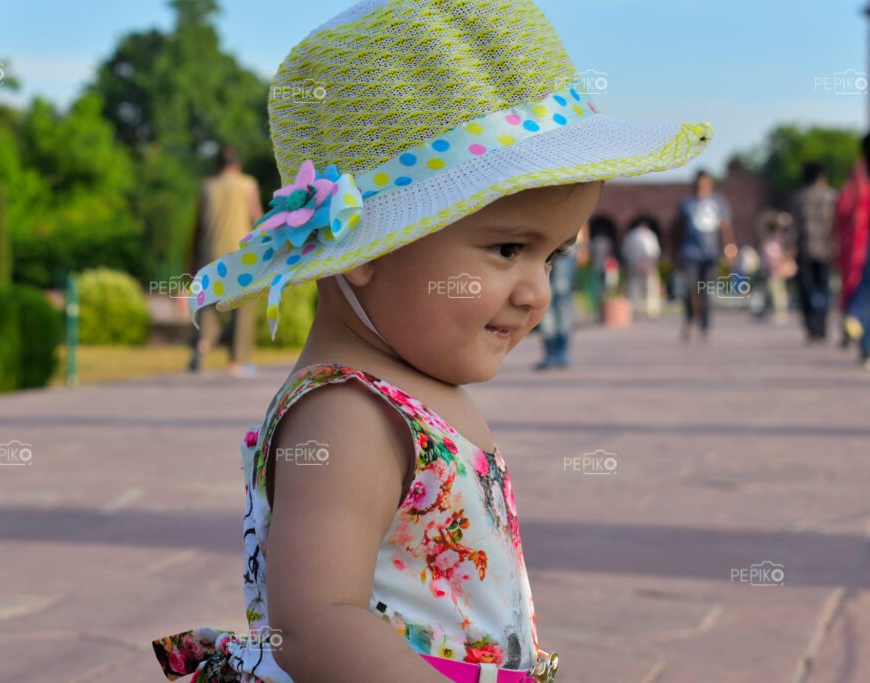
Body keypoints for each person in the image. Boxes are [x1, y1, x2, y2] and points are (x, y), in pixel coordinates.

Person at [151, 2, 714, 681]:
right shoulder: (346, 415)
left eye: (554, 258)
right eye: (508, 248)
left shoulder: (411, 391)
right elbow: (312, 622)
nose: (536, 291)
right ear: (366, 247)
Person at [188, 145, 264, 376]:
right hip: (240, 253)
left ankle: (203, 345)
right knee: (244, 303)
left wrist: (192, 258)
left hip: (209, 252)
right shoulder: (247, 184)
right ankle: (237, 361)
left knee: (209, 305)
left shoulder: (206, 187)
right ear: (237, 164)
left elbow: (198, 227)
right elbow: (257, 219)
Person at [674, 170, 736, 342]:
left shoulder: (719, 202)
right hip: (690, 253)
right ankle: (689, 319)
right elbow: (677, 229)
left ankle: (705, 326)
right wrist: (674, 253)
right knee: (689, 289)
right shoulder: (687, 203)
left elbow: (725, 227)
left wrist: (729, 247)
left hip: (710, 255)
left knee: (705, 291)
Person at [791, 162, 836, 342]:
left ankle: (812, 328)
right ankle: (822, 327)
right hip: (827, 250)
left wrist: (788, 250)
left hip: (805, 251)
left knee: (807, 289)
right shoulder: (832, 197)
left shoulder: (800, 198)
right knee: (824, 288)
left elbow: (794, 228)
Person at [836, 135, 870, 368]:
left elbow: (842, 209)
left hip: (859, 245)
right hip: (863, 243)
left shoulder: (857, 177)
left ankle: (854, 318)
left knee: (862, 291)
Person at [535, 223, 586, 369]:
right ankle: (551, 351)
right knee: (546, 296)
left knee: (561, 295)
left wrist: (584, 243)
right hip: (545, 240)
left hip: (567, 242)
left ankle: (561, 350)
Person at [622, 219, 662, 318]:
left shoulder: (631, 235)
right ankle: (652, 309)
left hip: (635, 262)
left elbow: (625, 250)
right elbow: (655, 250)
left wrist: (631, 262)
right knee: (650, 287)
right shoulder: (650, 235)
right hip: (647, 261)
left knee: (634, 287)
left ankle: (632, 308)